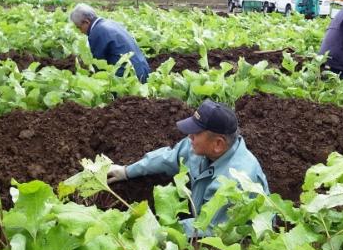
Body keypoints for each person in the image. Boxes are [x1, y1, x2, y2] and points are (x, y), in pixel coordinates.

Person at [107, 99, 269, 237]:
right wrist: (127, 171)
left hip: (237, 239)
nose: (190, 136)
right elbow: (169, 158)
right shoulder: (199, 148)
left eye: (196, 132)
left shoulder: (234, 182)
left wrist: (155, 231)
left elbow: (209, 228)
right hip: (205, 221)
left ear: (218, 144)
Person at [70, 3, 150, 83]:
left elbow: (99, 66)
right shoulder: (110, 23)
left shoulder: (97, 33)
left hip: (129, 77)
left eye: (79, 27)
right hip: (144, 71)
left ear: (86, 22)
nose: (80, 31)